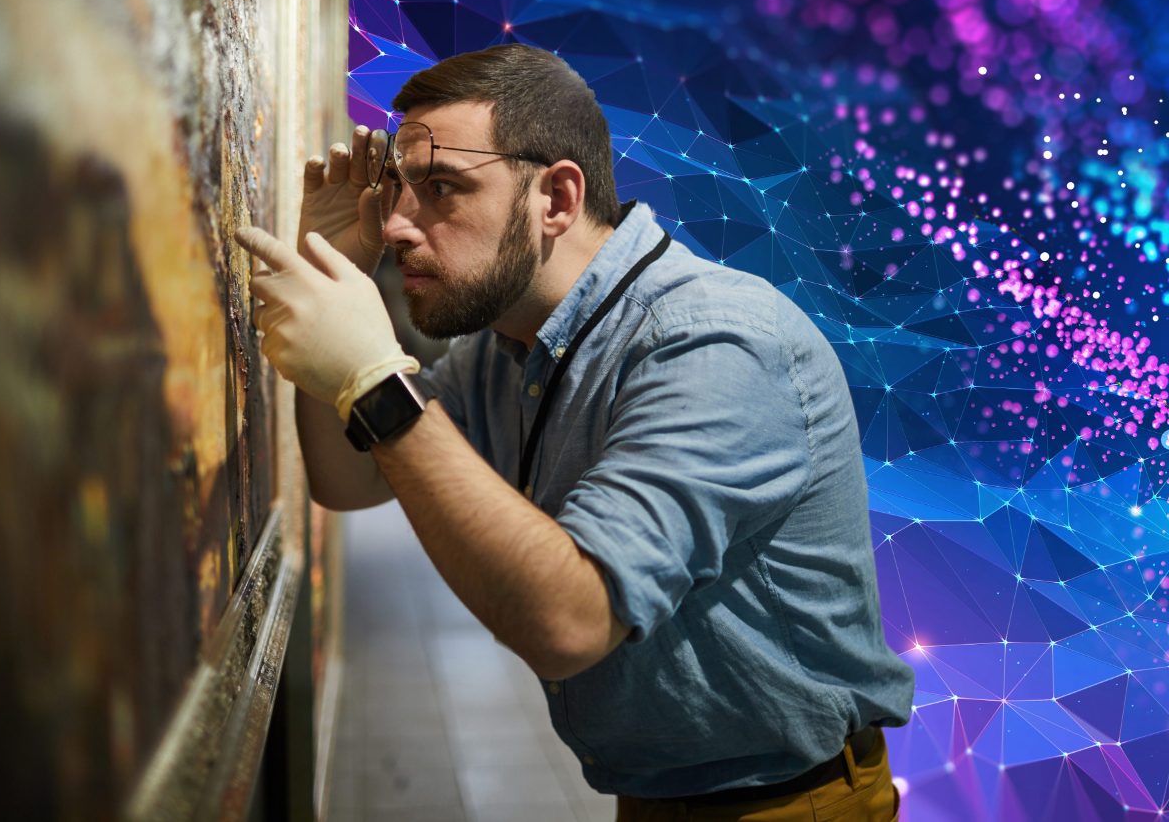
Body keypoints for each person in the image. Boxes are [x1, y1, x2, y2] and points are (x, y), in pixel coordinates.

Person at [236, 44, 914, 820]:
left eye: (441, 187)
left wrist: (376, 382)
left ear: (556, 198)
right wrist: (343, 279)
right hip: (660, 793)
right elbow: (349, 479)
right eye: (396, 188)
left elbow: (571, 619)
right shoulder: (509, 344)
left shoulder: (717, 342)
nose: (393, 224)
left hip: (790, 802)